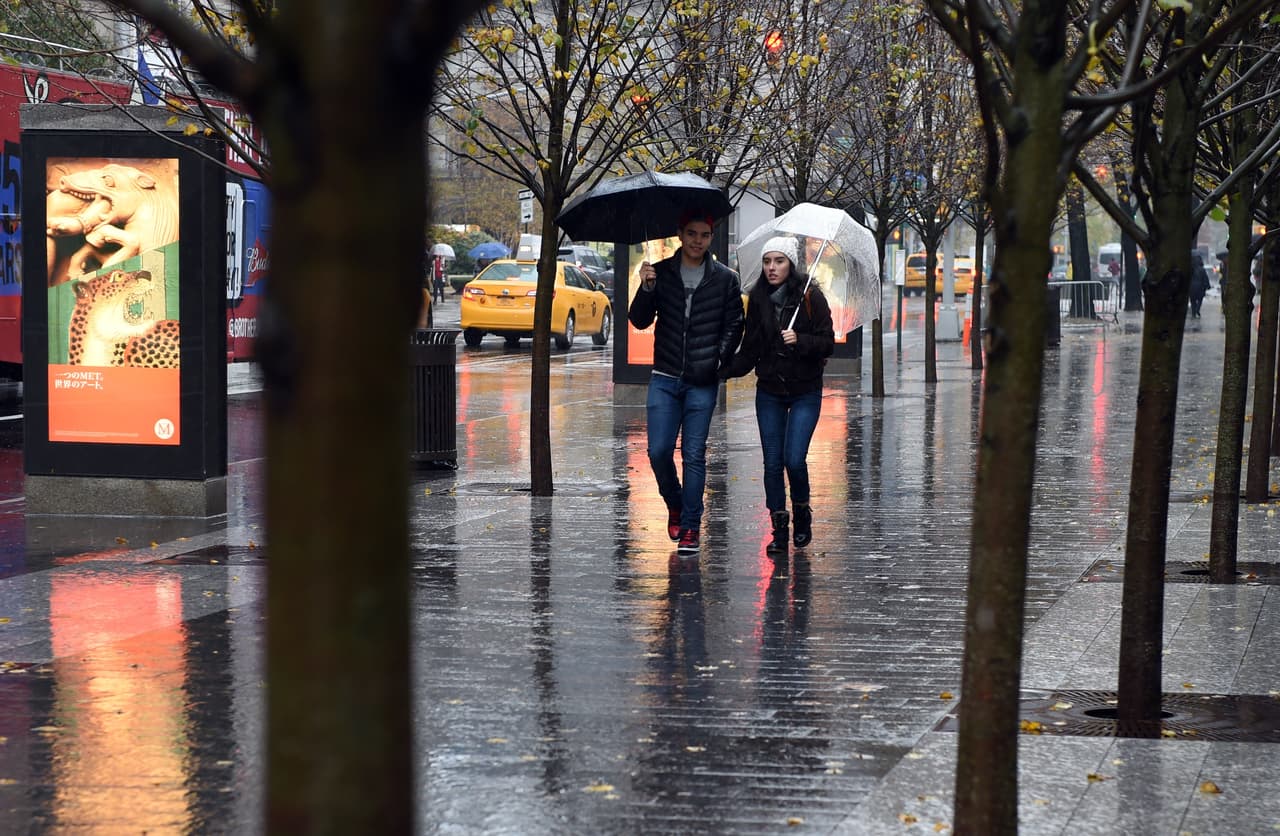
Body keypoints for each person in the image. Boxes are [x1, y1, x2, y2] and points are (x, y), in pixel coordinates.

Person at [629, 210, 744, 555]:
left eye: (704, 235)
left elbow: (734, 324)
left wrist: (717, 357)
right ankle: (674, 503)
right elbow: (638, 320)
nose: (698, 241)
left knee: (694, 454)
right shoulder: (660, 272)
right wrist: (646, 288)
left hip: (702, 381)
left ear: (711, 238)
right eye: (692, 234)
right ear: (680, 234)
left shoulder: (725, 278)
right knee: (658, 451)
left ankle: (691, 527)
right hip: (664, 377)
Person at [721, 236, 834, 556]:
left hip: (804, 391)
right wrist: (722, 370)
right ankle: (779, 529)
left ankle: (802, 513)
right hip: (770, 391)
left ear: (791, 264)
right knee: (772, 463)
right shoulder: (758, 300)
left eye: (779, 261)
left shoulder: (811, 297)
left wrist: (800, 339)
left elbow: (828, 343)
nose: (772, 268)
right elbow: (751, 348)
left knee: (793, 459)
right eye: (767, 261)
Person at [1189, 253, 1210, 318]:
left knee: (1193, 301)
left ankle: (1193, 313)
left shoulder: (1191, 269)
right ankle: (1197, 309)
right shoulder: (1202, 269)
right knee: (1200, 300)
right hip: (1200, 287)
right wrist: (1208, 286)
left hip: (1192, 287)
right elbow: (1205, 278)